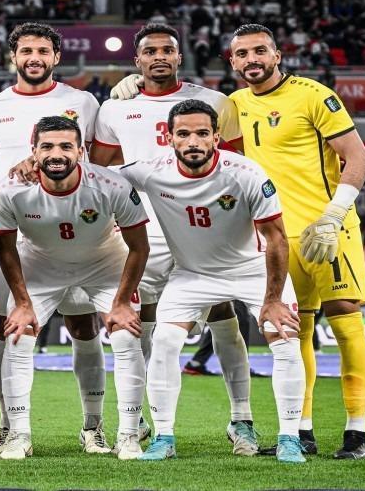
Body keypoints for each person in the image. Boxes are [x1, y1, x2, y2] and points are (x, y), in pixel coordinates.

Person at [77, 23, 257, 453]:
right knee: (138, 324)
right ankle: (137, 420)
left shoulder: (215, 102)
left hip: (202, 229)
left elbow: (235, 165)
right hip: (143, 232)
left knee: (222, 317)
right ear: (137, 60)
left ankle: (242, 419)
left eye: (167, 50)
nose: (159, 57)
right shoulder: (114, 109)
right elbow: (99, 171)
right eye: (150, 51)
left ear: (179, 56)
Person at [116, 98, 307, 464]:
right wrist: (32, 165)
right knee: (164, 341)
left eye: (203, 133)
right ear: (169, 138)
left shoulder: (246, 173)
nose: (193, 142)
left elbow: (277, 239)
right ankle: (164, 437)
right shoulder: (151, 171)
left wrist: (273, 300)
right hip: (193, 274)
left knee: (285, 341)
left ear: (216, 137)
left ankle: (290, 438)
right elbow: (96, 174)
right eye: (184, 134)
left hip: (253, 271)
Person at [227, 23, 365, 459]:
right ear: (232, 62)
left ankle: (357, 431)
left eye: (260, 51)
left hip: (326, 230)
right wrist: (135, 86)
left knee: (345, 319)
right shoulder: (233, 105)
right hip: (275, 237)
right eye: (242, 54)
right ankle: (301, 430)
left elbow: (358, 157)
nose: (251, 60)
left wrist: (334, 215)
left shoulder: (313, 95)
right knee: (294, 330)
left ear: (276, 56)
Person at [0, 22, 107, 453]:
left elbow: (97, 159)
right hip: (15, 232)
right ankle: (9, 426)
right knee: (9, 326)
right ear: (13, 56)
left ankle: (93, 425)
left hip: (76, 230)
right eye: (26, 51)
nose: (34, 58)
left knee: (84, 324)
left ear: (56, 57)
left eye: (43, 51)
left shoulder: (83, 102)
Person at [0, 116, 150, 460]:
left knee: (126, 335)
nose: (57, 154)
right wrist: (22, 303)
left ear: (81, 151)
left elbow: (139, 247)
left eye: (66, 146)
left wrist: (121, 303)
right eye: (47, 146)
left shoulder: (111, 185)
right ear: (33, 151)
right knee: (18, 335)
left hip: (104, 263)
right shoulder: (11, 189)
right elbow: (5, 248)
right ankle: (19, 435)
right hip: (41, 265)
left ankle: (124, 435)